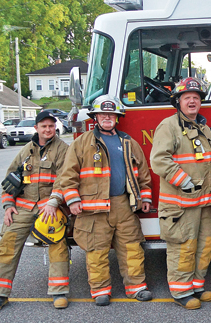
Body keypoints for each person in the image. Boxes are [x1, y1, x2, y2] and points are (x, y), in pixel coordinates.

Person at [56, 95, 153, 306]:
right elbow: (68, 175)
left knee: (132, 248)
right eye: (103, 114)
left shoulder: (128, 142)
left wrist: (144, 197)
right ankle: (100, 290)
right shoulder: (82, 143)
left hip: (124, 205)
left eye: (111, 114)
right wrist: (72, 200)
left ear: (117, 117)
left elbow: (143, 173)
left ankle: (136, 287)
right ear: (95, 117)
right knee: (96, 251)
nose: (107, 117)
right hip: (93, 210)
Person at [0, 111, 70, 312]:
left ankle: (59, 292)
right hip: (22, 208)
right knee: (7, 245)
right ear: (36, 128)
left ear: (55, 127)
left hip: (50, 207)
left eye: (51, 126)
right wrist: (8, 206)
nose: (48, 129)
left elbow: (64, 180)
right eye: (44, 126)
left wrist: (53, 202)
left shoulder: (63, 150)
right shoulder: (26, 151)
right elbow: (9, 181)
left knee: (57, 245)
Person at [150, 77, 211, 310]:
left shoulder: (203, 127)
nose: (192, 102)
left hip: (205, 202)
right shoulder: (168, 126)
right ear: (177, 101)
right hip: (181, 202)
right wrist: (184, 180)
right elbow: (159, 159)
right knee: (184, 246)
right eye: (187, 98)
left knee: (206, 244)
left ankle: (197, 286)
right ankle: (181, 291)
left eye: (196, 98)